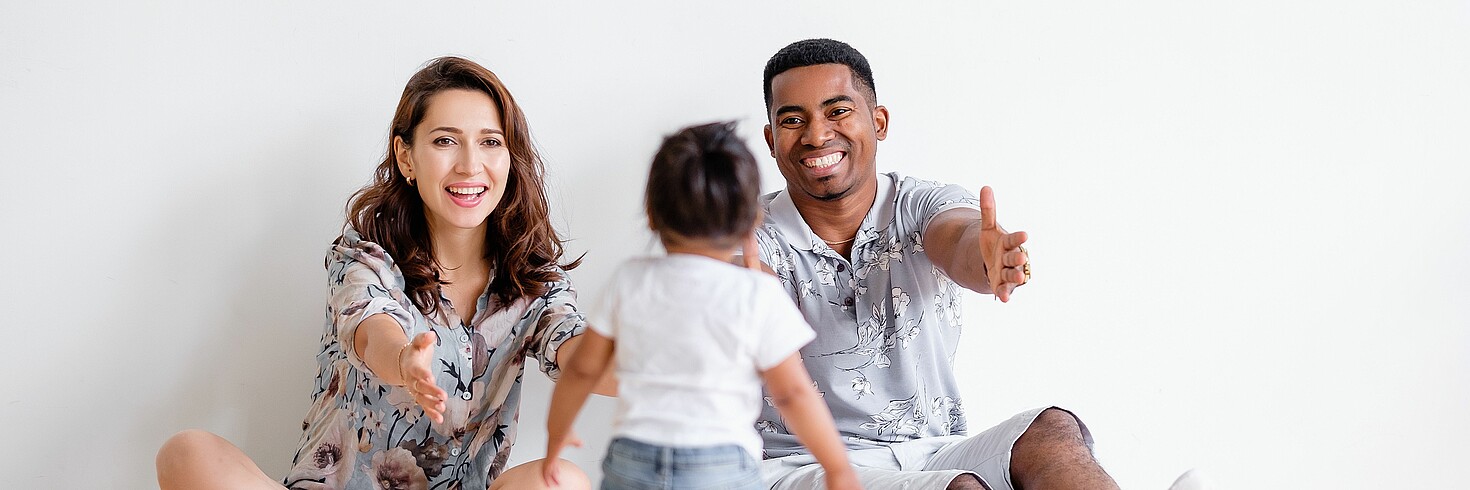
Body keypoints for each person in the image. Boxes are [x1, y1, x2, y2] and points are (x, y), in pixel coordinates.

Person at [155, 56, 601, 490]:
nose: (469, 165)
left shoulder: (533, 282)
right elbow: (372, 332)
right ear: (406, 157)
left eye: (490, 142)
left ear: (509, 156)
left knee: (561, 480)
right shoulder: (364, 257)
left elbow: (581, 352)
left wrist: (649, 362)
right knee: (187, 453)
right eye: (445, 141)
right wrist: (404, 362)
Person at [749, 39, 1121, 490]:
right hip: (802, 466)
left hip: (932, 448)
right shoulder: (745, 233)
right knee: (957, 488)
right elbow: (739, 287)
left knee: (1053, 429)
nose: (816, 134)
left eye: (838, 111)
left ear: (878, 121)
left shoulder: (920, 204)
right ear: (771, 140)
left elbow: (959, 238)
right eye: (793, 120)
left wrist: (988, 260)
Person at [541, 122, 861, 490]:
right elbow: (792, 393)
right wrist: (838, 469)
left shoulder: (630, 281)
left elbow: (581, 370)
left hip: (635, 458)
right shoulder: (757, 293)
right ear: (752, 221)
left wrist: (556, 434)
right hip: (720, 466)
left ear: (650, 214)